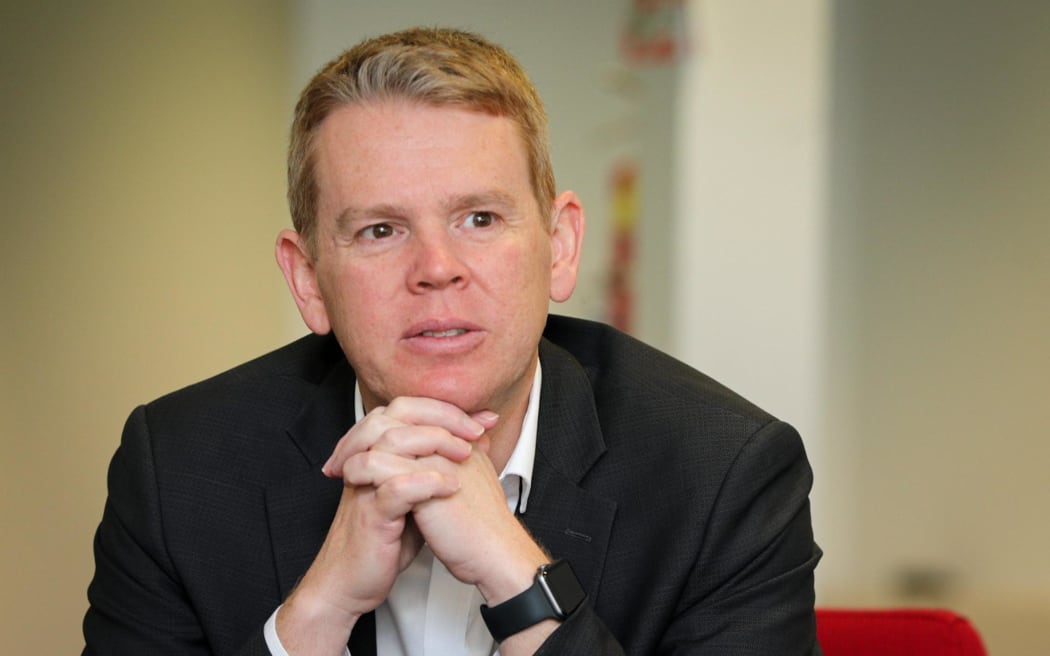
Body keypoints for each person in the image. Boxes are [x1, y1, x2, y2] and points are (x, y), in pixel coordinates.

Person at [83, 27, 822, 655]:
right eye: (381, 230)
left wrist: (517, 579)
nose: (437, 270)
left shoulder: (723, 474)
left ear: (559, 247)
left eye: (479, 219)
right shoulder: (180, 469)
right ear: (309, 280)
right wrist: (315, 617)